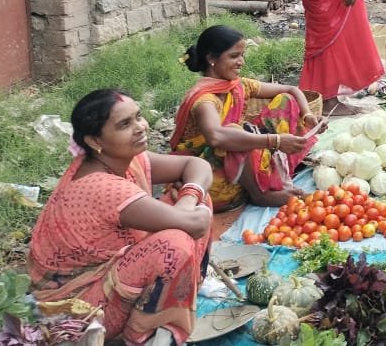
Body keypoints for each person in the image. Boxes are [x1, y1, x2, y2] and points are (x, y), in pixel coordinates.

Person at [30, 90, 213, 346]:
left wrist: (188, 199)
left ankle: (177, 296)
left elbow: (196, 165)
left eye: (138, 117)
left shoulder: (123, 158)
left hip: (107, 276)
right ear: (95, 141)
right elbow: (196, 224)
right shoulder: (103, 187)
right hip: (75, 309)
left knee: (197, 198)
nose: (140, 127)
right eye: (125, 124)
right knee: (174, 245)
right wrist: (187, 213)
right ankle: (143, 335)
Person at [171, 25, 317, 211]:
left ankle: (270, 176)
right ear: (211, 59)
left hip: (240, 169)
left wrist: (308, 115)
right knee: (233, 132)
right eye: (234, 56)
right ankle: (259, 194)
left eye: (242, 55)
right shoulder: (204, 100)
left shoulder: (239, 86)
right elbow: (216, 137)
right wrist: (276, 141)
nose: (241, 62)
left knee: (285, 101)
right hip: (211, 180)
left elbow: (291, 89)